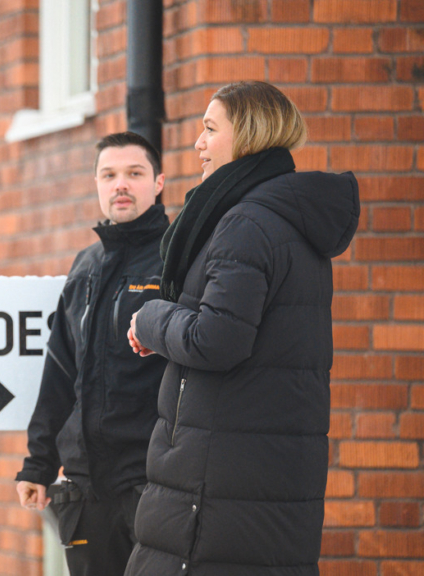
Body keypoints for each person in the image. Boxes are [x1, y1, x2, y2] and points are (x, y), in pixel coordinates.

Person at [124, 81, 359, 576]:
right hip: (253, 481)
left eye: (211, 129)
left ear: (248, 135)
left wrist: (150, 317)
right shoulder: (284, 218)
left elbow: (216, 340)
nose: (198, 143)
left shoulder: (247, 223)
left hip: (216, 491)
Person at [16, 132, 171, 576]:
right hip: (86, 490)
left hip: (154, 482)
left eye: (134, 174)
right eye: (109, 175)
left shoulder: (176, 259)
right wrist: (38, 464)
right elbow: (60, 372)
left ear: (158, 182)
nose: (120, 184)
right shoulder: (86, 264)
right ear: (97, 183)